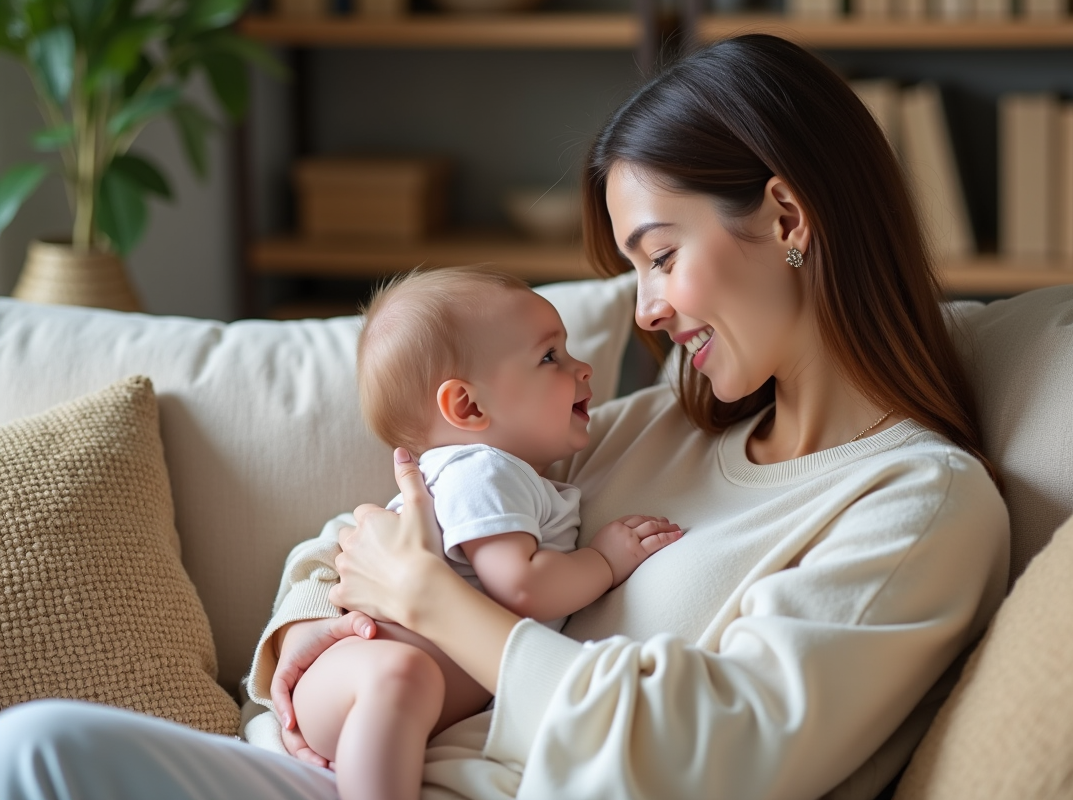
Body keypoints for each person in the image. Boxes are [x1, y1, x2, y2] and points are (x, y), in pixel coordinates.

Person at [0, 33, 1010, 800]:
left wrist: (437, 609)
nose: (648, 307)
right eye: (635, 269)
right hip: (338, 767)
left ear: (788, 219)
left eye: (660, 254)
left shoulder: (916, 504)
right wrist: (317, 632)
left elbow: (708, 749)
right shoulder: (653, 426)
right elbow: (364, 542)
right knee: (36, 743)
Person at [290, 266, 683, 800]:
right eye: (550, 357)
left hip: (368, 695)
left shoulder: (511, 477)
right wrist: (605, 560)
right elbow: (519, 586)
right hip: (360, 675)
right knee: (405, 675)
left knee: (409, 680)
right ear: (469, 406)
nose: (583, 368)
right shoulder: (484, 471)